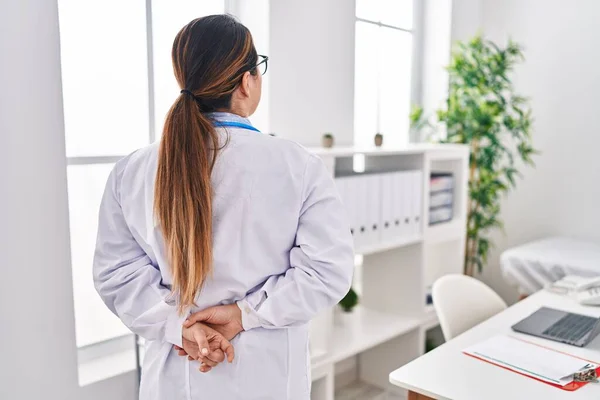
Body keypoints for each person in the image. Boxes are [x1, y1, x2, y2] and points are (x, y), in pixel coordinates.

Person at [93, 14, 353, 400]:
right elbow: (327, 272)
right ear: (247, 81)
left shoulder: (132, 170)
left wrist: (180, 324)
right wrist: (244, 315)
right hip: (265, 375)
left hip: (174, 375)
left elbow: (116, 274)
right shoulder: (296, 165)